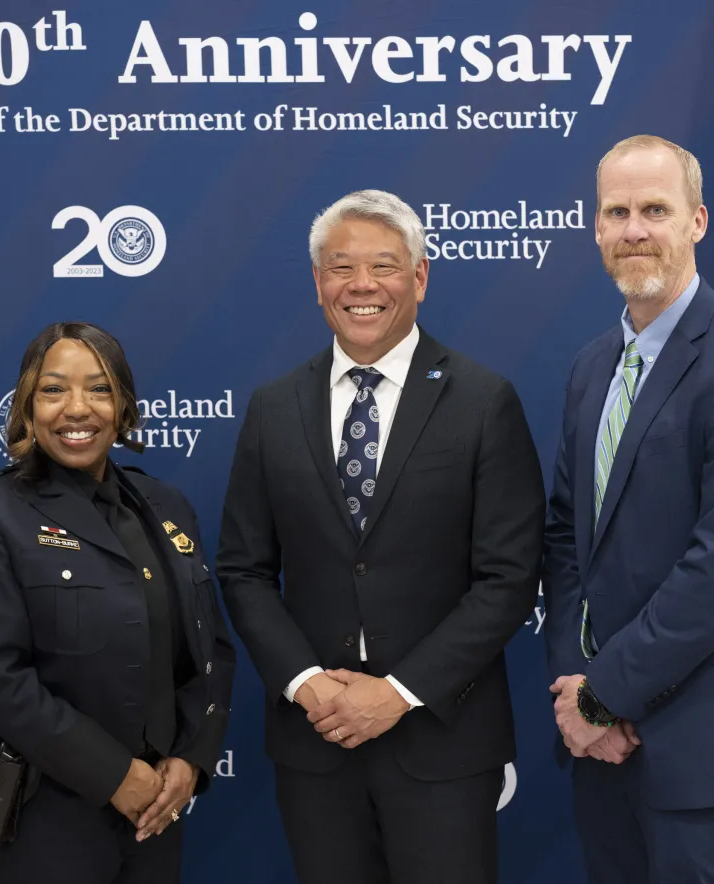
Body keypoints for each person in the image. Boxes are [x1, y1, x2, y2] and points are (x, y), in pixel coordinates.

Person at [216, 189, 545, 884]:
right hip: (316, 741)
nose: (362, 286)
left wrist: (397, 692)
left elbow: (509, 578)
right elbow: (243, 569)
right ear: (317, 285)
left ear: (420, 277)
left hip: (442, 743)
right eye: (342, 268)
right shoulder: (274, 408)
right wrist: (307, 685)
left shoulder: (484, 402)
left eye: (384, 267)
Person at [542, 135, 714, 884]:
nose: (635, 229)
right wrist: (576, 693)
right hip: (602, 752)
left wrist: (605, 695)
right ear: (596, 228)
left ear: (697, 221)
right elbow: (567, 541)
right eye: (617, 211)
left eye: (655, 210)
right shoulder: (591, 367)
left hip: (709, 760)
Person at [0, 322, 235, 884]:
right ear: (26, 407)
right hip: (41, 820)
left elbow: (209, 646)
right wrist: (115, 775)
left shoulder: (165, 505)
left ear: (123, 406)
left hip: (156, 815)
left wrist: (193, 757)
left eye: (99, 389)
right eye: (53, 390)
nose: (78, 408)